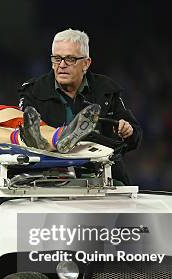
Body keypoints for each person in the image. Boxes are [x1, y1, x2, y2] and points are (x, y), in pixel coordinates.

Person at [18, 29, 142, 185]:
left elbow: (135, 136)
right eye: (57, 58)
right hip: (47, 179)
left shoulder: (106, 90)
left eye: (70, 59)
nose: (61, 65)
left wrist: (127, 132)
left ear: (86, 63)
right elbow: (23, 134)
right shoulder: (32, 91)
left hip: (103, 177)